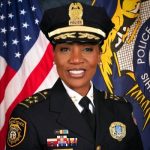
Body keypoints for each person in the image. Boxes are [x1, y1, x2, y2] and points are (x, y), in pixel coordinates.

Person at [6, 2, 143, 150]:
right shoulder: (29, 115)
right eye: (65, 49)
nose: (76, 59)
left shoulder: (121, 109)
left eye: (87, 49)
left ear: (99, 56)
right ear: (54, 56)